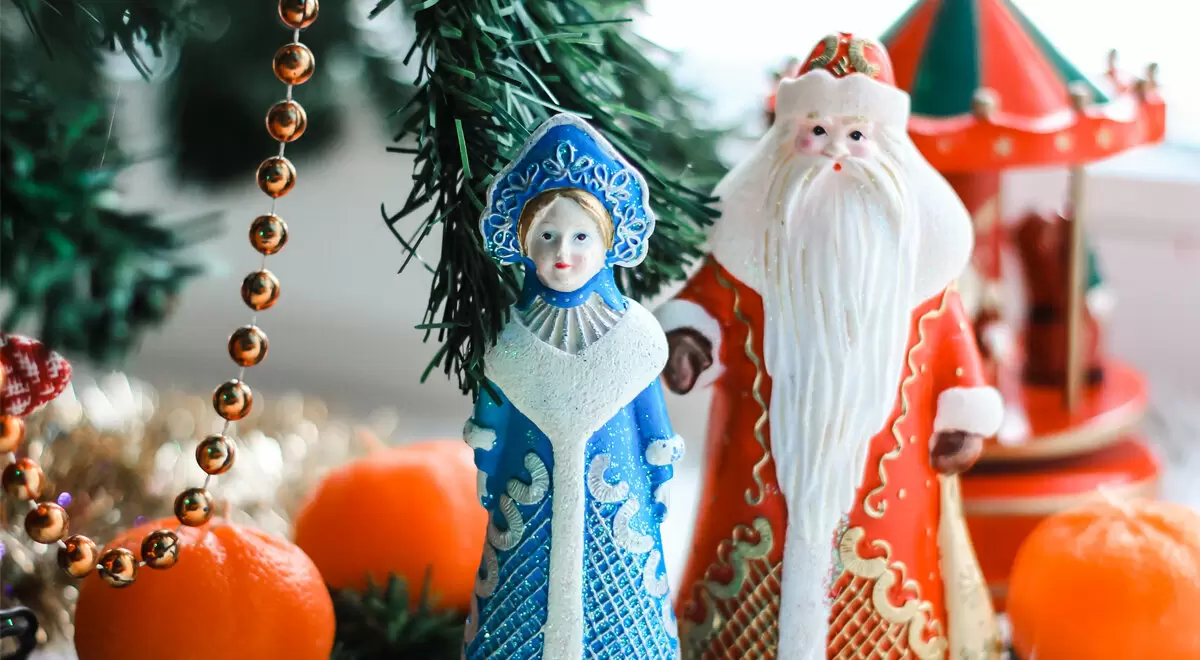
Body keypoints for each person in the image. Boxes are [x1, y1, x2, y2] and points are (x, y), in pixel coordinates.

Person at [654, 34, 1004, 659]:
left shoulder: (921, 277)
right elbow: (704, 311)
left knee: (887, 568)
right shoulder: (746, 258)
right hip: (751, 494)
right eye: (816, 132)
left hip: (889, 506)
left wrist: (962, 419)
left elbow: (954, 352)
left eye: (857, 136)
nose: (836, 152)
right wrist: (686, 341)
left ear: (888, 148)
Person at [463, 114, 683, 660]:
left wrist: (660, 465)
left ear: (606, 243)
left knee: (624, 586)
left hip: (618, 509)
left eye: (581, 236)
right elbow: (492, 414)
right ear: (524, 243)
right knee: (519, 580)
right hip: (528, 505)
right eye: (547, 235)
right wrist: (487, 450)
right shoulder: (510, 341)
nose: (563, 252)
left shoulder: (634, 337)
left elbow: (652, 420)